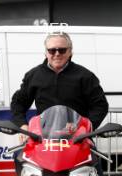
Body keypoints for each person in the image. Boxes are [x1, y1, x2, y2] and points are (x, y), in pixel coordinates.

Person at [10, 31, 108, 175]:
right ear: (46, 52)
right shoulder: (34, 75)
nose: (57, 53)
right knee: (19, 156)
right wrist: (22, 125)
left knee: (94, 163)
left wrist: (86, 127)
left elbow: (100, 104)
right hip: (42, 140)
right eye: (52, 50)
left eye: (62, 50)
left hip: (78, 139)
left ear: (70, 52)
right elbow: (18, 102)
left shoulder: (85, 76)